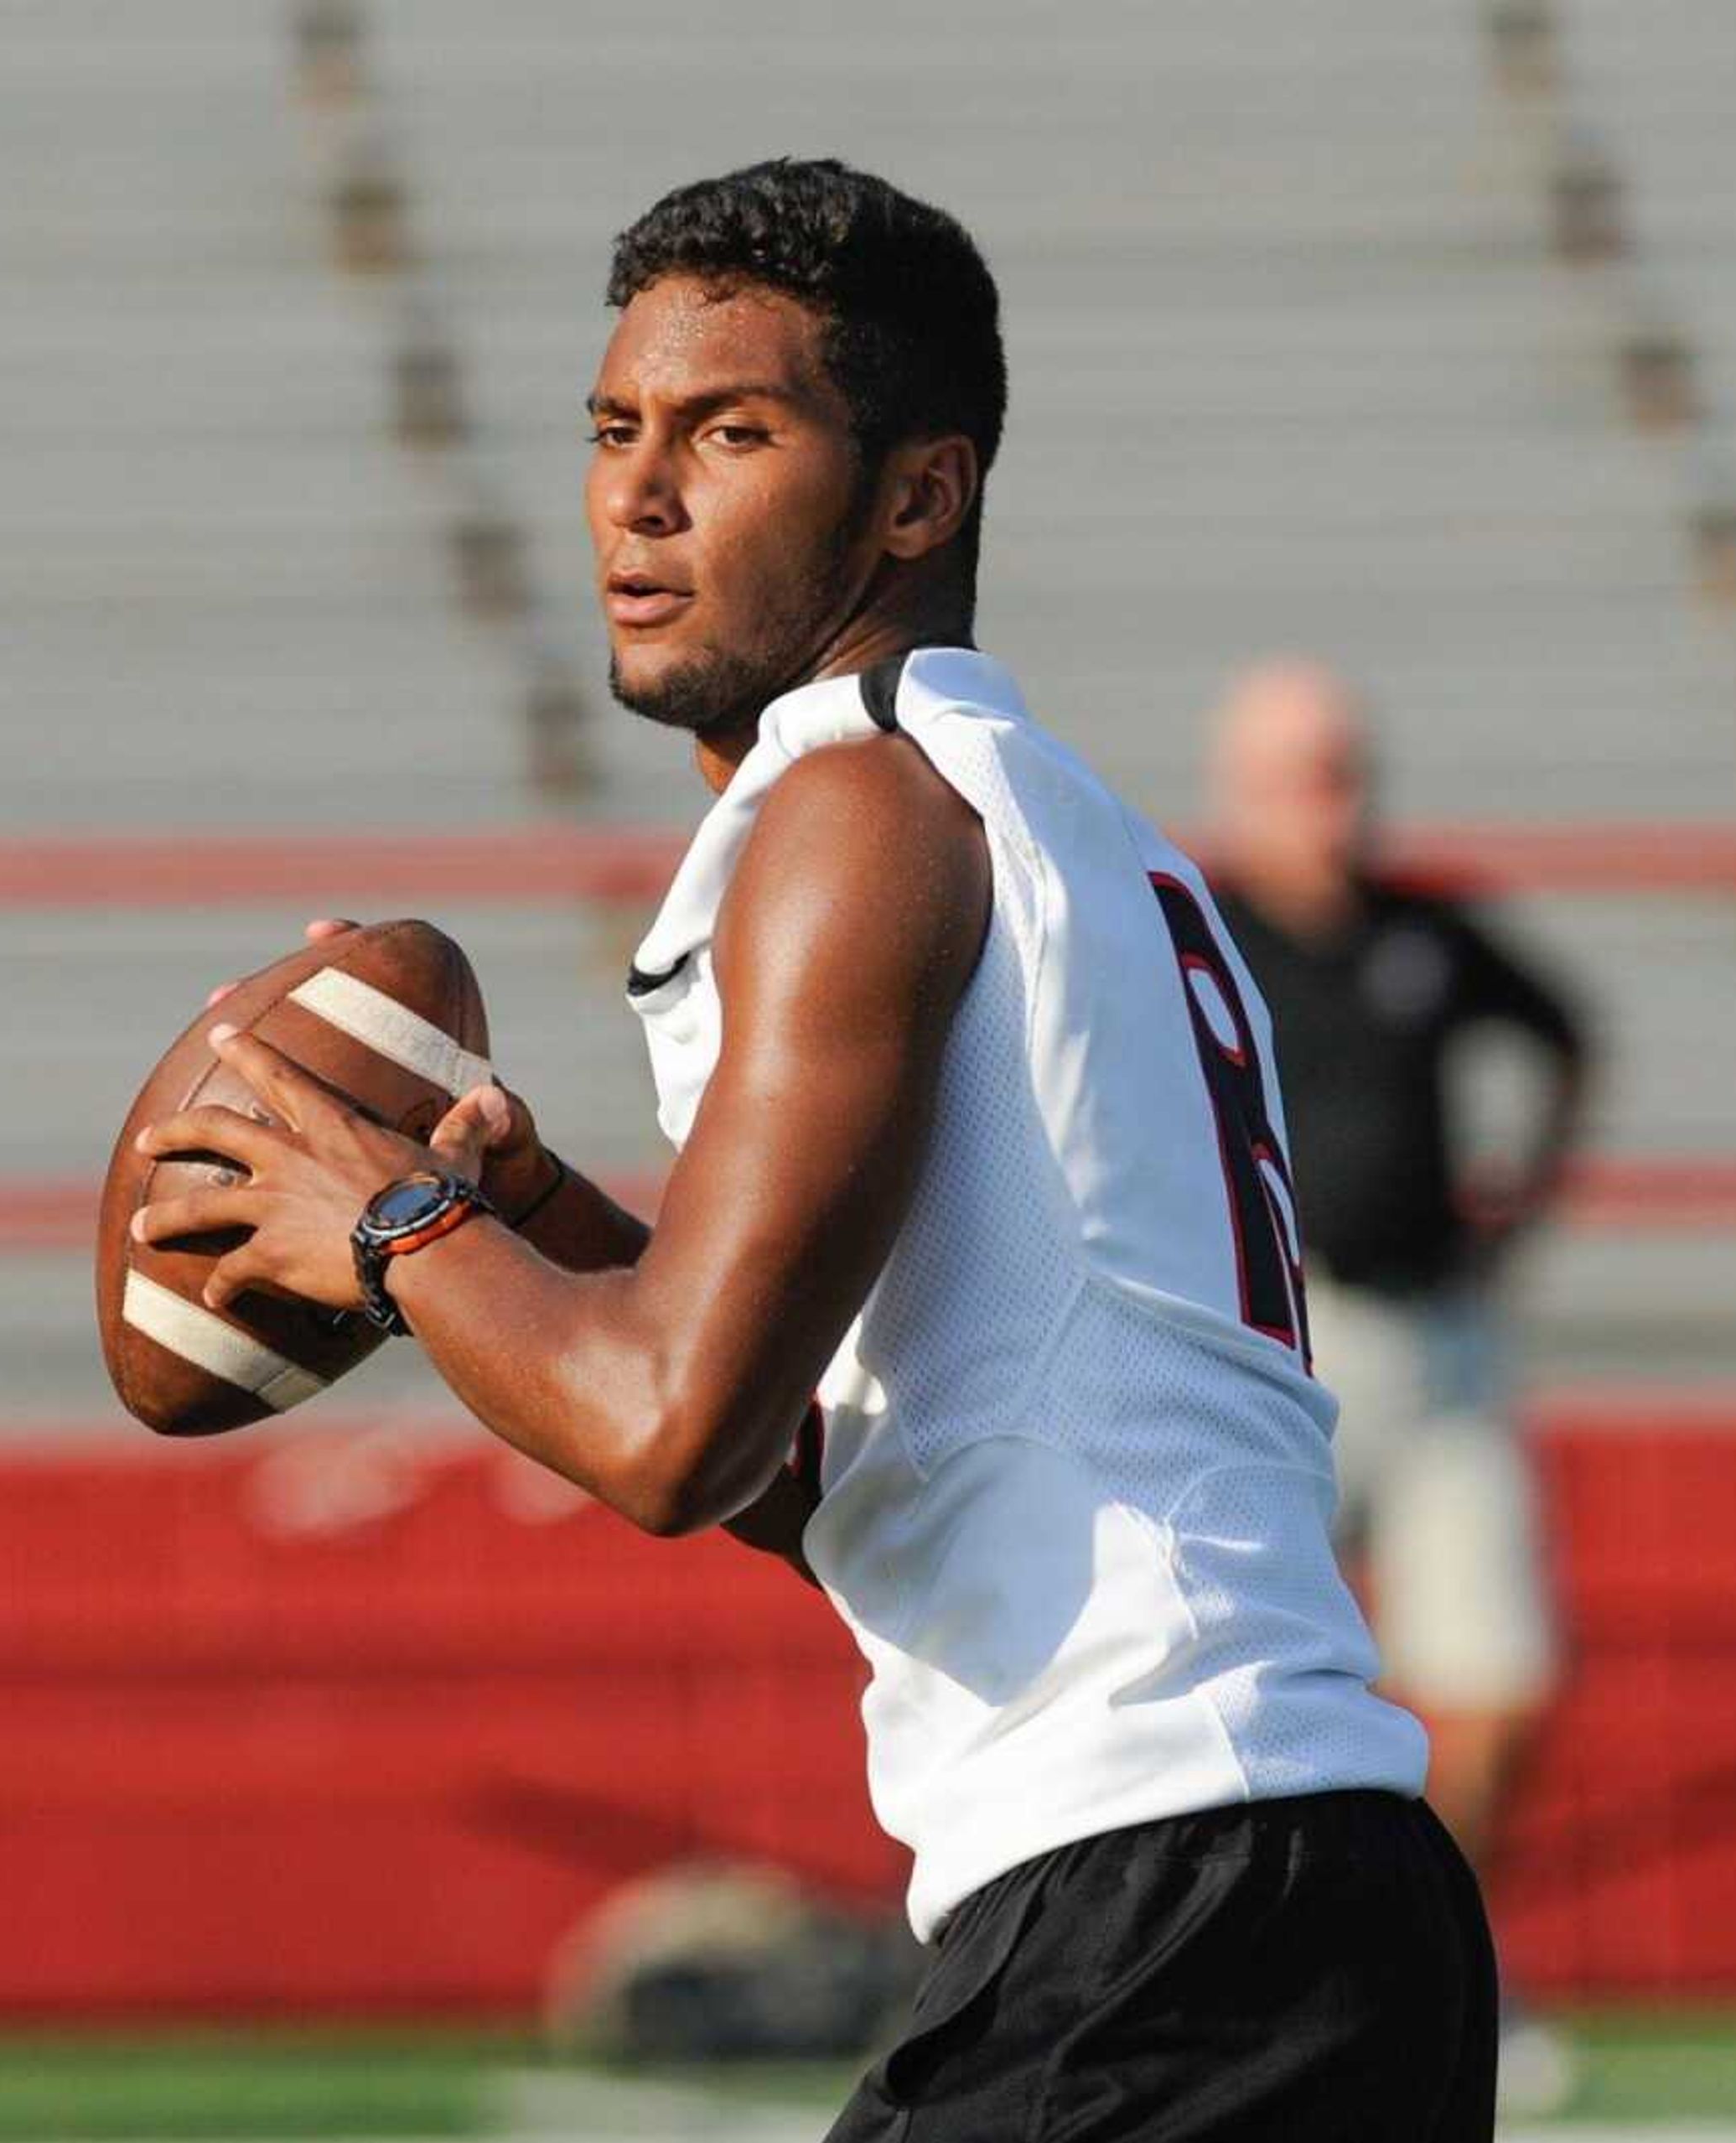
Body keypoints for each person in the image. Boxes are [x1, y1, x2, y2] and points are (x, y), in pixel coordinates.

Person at [134, 162, 1495, 2139]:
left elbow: (670, 1435)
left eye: (729, 432)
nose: (637, 493)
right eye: (614, 429)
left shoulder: (855, 815)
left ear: (918, 495)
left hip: (1166, 1905)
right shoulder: (1059, 819)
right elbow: (815, 1469)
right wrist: (525, 1217)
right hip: (1275, 1896)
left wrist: (395, 1223)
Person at [1205, 657, 1594, 2114]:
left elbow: (1564, 1037)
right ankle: (1261, 1992)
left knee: (1497, 1686)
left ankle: (1418, 1975)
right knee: (1250, 1695)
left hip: (1439, 1336)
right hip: (1278, 1348)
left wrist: (1520, 1205)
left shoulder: (1426, 930)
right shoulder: (1198, 933)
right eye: (1306, 772)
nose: (1335, 802)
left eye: (1346, 767)